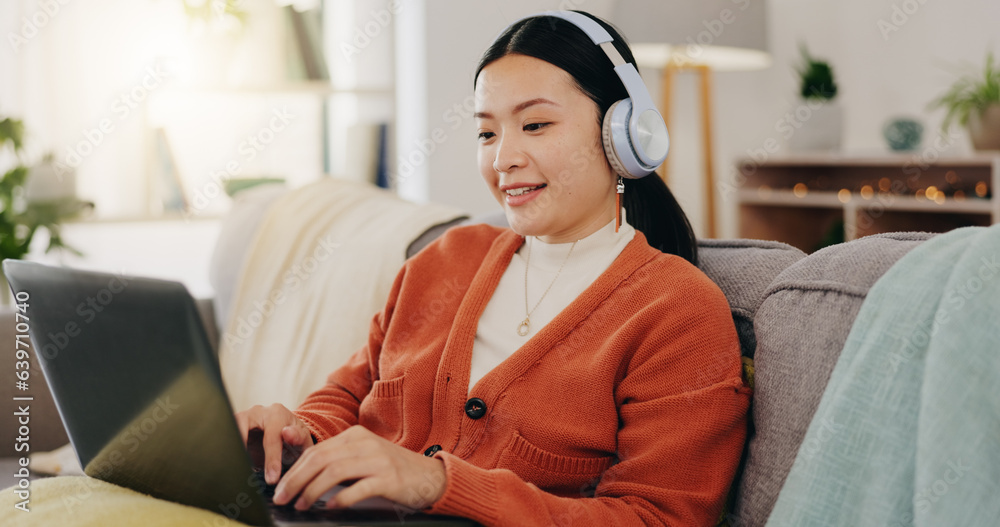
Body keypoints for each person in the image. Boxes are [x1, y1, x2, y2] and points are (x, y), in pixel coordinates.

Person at [235, 10, 750, 526]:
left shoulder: (678, 311)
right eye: (486, 133)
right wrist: (300, 434)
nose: (503, 158)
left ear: (624, 133)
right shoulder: (446, 260)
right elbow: (352, 392)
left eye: (535, 125)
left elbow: (657, 517)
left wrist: (437, 483)